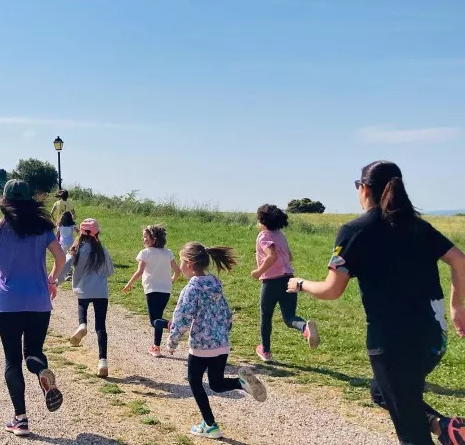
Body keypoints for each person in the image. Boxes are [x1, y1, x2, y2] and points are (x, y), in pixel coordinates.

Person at [287, 161, 465, 445]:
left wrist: (300, 284)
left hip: (393, 343)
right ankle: (445, 426)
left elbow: (332, 290)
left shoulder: (355, 231)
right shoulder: (419, 227)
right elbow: (459, 260)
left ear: (365, 188)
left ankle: (440, 429)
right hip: (434, 339)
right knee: (383, 392)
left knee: (412, 435)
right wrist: (457, 307)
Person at [0, 179, 66, 437]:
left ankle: (20, 419)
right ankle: (41, 372)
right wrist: (51, 280)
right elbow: (61, 256)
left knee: (12, 359)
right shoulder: (42, 229)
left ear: (5, 201)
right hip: (39, 302)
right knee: (33, 352)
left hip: (9, 304)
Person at [165, 241, 267, 439]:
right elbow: (226, 311)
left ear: (189, 263)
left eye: (181, 261)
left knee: (194, 381)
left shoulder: (191, 289)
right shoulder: (215, 284)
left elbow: (182, 317)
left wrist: (172, 341)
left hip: (202, 346)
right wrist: (225, 329)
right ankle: (240, 382)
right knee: (216, 383)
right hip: (221, 344)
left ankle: (210, 425)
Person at [250, 204, 319, 362]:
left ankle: (265, 351)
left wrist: (258, 271)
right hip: (289, 280)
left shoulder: (264, 236)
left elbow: (271, 256)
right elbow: (290, 257)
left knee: (266, 316)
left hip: (271, 283)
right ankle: (305, 328)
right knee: (289, 317)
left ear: (263, 222)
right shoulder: (280, 235)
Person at [57, 218, 114, 377]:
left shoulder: (76, 248)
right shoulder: (102, 250)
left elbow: (66, 265)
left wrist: (57, 281)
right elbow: (110, 271)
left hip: (83, 290)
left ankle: (82, 325)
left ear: (80, 233)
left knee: (82, 306)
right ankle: (103, 361)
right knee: (101, 326)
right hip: (101, 292)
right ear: (97, 233)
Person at [122, 224, 181, 357]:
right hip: (166, 290)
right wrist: (172, 279)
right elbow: (177, 271)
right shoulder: (168, 253)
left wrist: (129, 284)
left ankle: (170, 325)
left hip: (152, 290)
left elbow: (140, 271)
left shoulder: (145, 253)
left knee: (154, 321)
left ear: (154, 239)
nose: (143, 240)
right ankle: (156, 347)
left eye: (145, 237)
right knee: (158, 317)